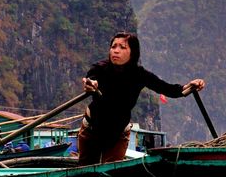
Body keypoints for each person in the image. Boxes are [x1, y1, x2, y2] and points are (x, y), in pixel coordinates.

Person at [78, 32, 205, 165]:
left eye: (122, 47)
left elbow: (169, 90)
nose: (116, 51)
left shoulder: (139, 75)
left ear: (133, 52)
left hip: (118, 134)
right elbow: (91, 80)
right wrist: (91, 84)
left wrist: (190, 86)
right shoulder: (99, 69)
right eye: (113, 46)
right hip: (92, 130)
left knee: (111, 174)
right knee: (83, 173)